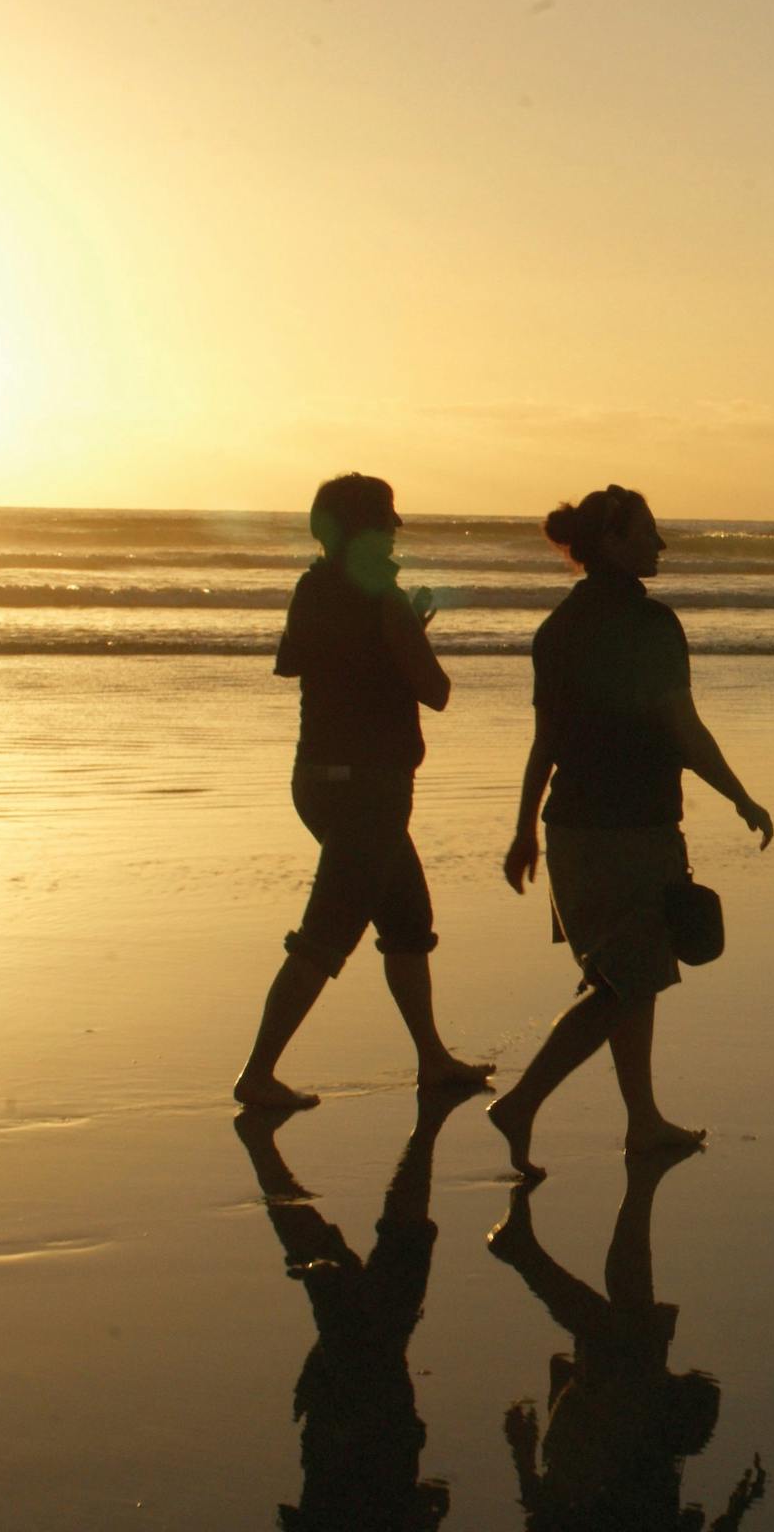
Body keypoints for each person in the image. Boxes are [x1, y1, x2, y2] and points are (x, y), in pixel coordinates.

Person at [490, 485, 772, 1180]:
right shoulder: (651, 625)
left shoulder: (557, 629)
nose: (661, 544)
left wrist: (524, 830)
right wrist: (741, 795)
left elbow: (545, 742)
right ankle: (520, 1104)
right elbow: (683, 730)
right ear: (613, 542)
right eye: (648, 531)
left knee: (628, 978)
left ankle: (642, 1121)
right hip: (634, 831)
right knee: (622, 986)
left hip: (571, 834)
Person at [234, 473, 494, 1110]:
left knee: (408, 922)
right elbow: (435, 690)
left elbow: (295, 662)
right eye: (388, 521)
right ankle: (257, 1074)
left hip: (317, 777)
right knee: (325, 935)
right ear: (371, 530)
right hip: (370, 788)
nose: (396, 530)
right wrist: (409, 629)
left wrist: (394, 636)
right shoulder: (383, 599)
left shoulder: (312, 587)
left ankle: (432, 1060)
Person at [233, 1090, 472, 1531]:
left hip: (373, 1447)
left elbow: (429, 1501)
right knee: (373, 1318)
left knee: (373, 1324)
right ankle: (267, 1156)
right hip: (350, 1448)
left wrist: (428, 1509)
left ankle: (427, 1127)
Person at [487, 1157, 768, 1529]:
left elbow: (544, 1510)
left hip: (590, 1444)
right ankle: (633, 1191)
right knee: (629, 1331)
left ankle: (532, 1248)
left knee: (627, 1339)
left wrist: (522, 1450)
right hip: (605, 1434)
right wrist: (735, 1510)